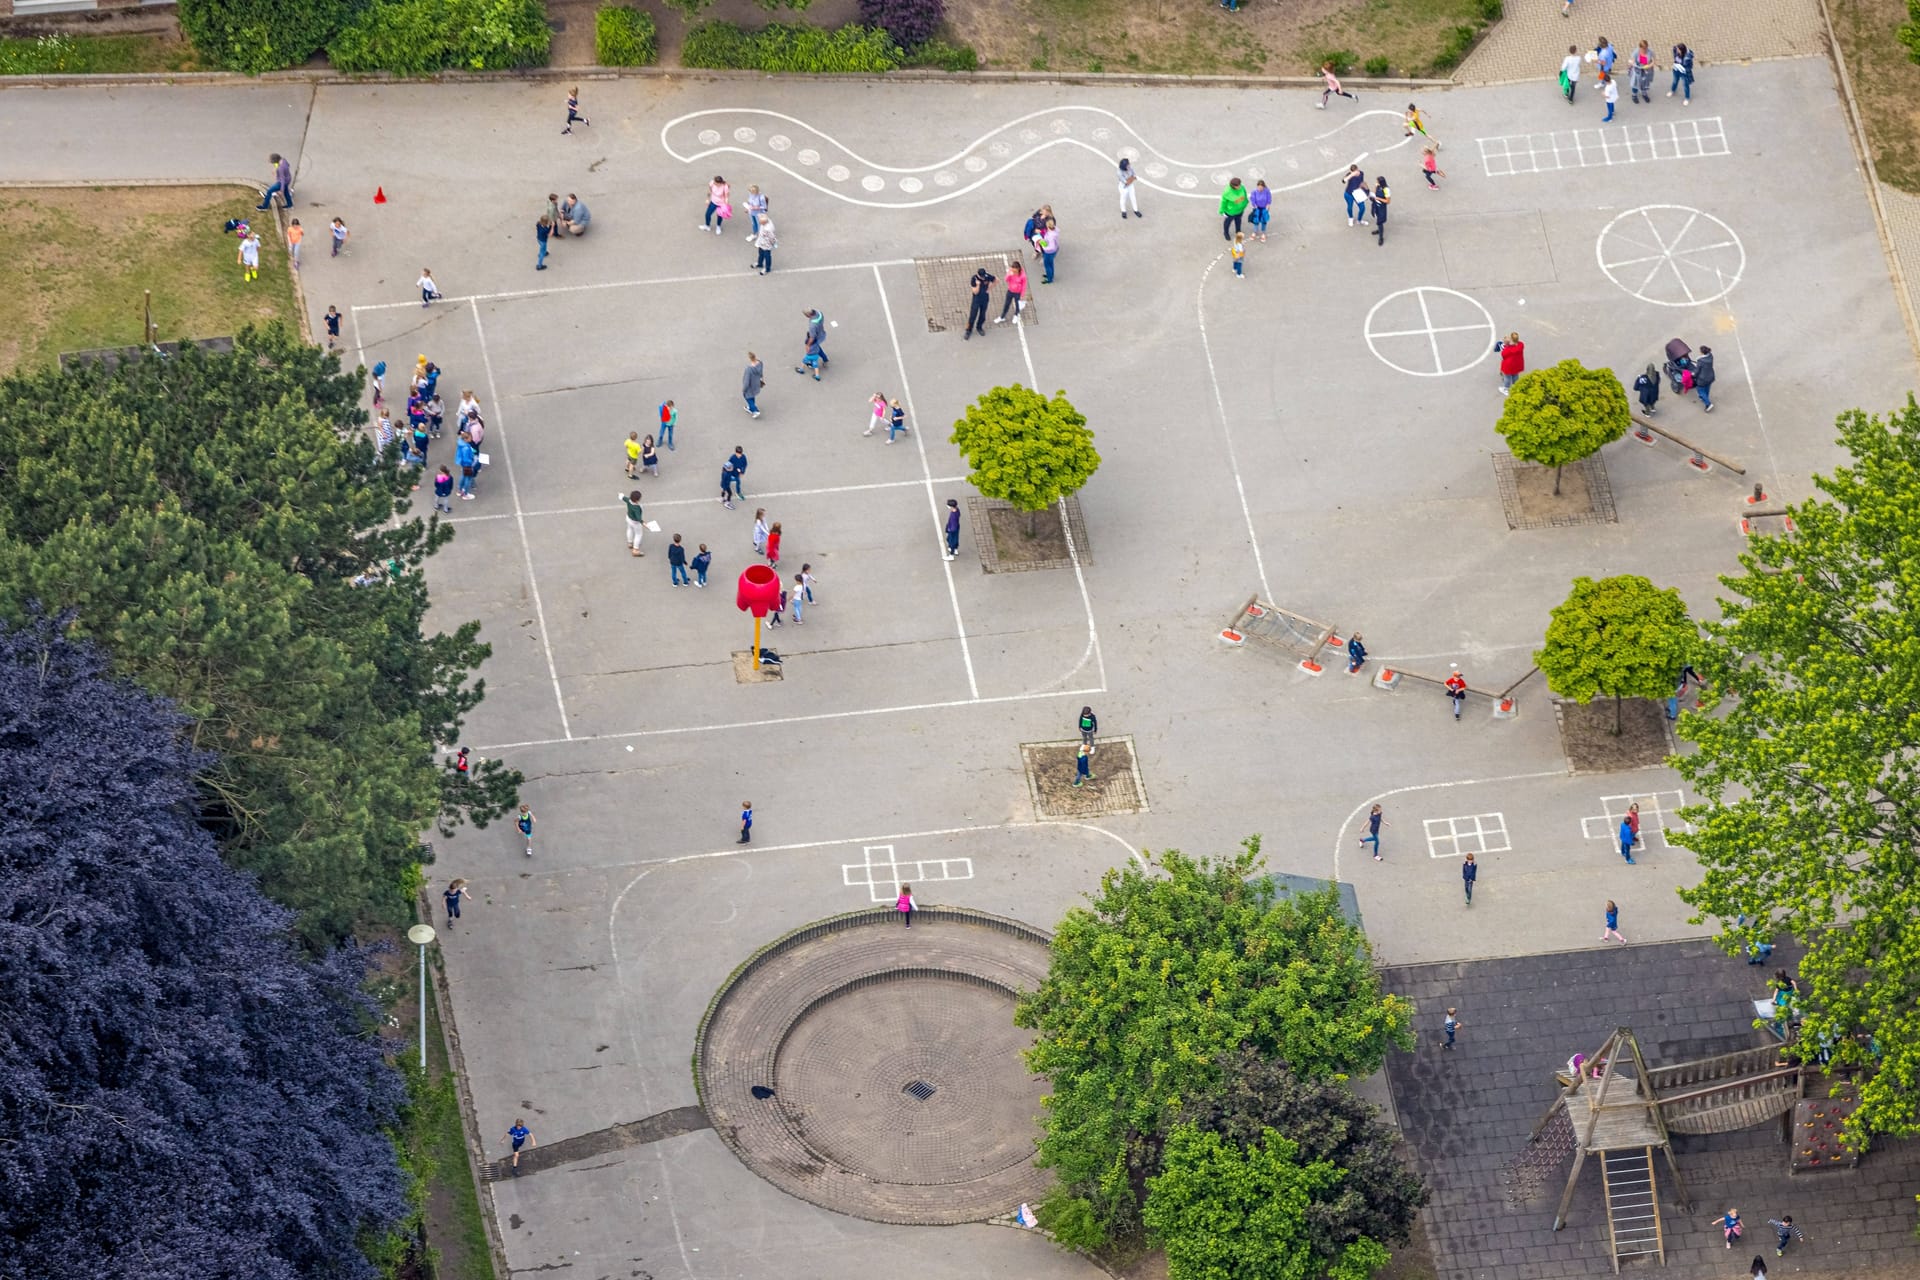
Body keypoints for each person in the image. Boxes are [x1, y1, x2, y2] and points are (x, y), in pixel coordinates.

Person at [964, 264, 994, 339]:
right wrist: (978, 285)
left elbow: (996, 280)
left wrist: (989, 289)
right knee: (972, 316)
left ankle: (979, 327)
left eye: (984, 276)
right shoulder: (974, 279)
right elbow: (975, 292)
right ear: (978, 274)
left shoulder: (987, 276)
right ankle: (968, 330)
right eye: (982, 276)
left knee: (982, 315)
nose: (983, 278)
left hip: (985, 299)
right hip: (976, 300)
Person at [995, 260, 1027, 324]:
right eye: (1013, 270)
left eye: (1015, 271)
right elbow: (1006, 280)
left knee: (1017, 305)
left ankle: (1016, 315)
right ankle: (1002, 317)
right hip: (1010, 291)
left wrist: (1022, 295)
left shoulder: (1023, 276)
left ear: (1018, 269)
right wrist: (1009, 275)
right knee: (1006, 304)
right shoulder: (1011, 272)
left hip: (1018, 293)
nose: (1013, 272)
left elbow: (1024, 285)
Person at [1629, 39, 1655, 104]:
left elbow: (1653, 61)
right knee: (1635, 84)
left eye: (1646, 48)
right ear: (1640, 47)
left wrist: (1649, 65)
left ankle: (1644, 94)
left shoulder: (1650, 52)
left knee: (1645, 84)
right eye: (1643, 49)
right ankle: (1634, 95)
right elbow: (1632, 61)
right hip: (1637, 71)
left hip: (1646, 71)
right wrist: (1633, 63)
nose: (1645, 50)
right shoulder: (1636, 52)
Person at [1369, 176, 1391, 246]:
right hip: (1376, 206)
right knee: (1377, 218)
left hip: (1381, 207)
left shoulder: (1386, 190)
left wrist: (1378, 198)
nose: (1376, 182)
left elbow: (1387, 201)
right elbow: (1374, 193)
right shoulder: (1378, 186)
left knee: (1380, 222)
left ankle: (1381, 237)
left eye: (1377, 181)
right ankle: (1379, 229)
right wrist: (1375, 187)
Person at [622, 489, 645, 556]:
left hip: (628, 518)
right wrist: (644, 523)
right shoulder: (636, 507)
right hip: (635, 522)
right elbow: (638, 518)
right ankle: (635, 550)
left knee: (629, 529)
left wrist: (620, 495)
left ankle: (630, 542)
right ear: (637, 499)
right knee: (638, 534)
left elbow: (623, 497)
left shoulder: (629, 500)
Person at [741, 352, 764, 418]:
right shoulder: (760, 363)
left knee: (747, 396)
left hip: (750, 386)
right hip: (756, 383)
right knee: (752, 395)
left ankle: (755, 410)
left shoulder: (749, 369)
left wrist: (744, 389)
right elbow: (761, 373)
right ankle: (750, 408)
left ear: (750, 359)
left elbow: (746, 381)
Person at [1694, 345, 1716, 411]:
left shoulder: (1700, 361)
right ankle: (1704, 397)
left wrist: (1693, 374)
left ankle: (1708, 404)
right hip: (1711, 376)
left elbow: (1697, 371)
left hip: (1702, 379)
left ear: (1702, 352)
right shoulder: (1711, 356)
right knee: (1707, 388)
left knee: (1700, 390)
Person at [1038, 218, 1059, 283]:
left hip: (1049, 252)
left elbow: (1047, 245)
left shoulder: (1050, 235)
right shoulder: (1055, 231)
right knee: (1051, 264)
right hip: (1054, 250)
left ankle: (1049, 279)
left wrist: (1041, 241)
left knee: (1047, 265)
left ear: (1048, 226)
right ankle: (1051, 275)